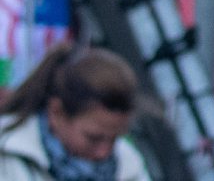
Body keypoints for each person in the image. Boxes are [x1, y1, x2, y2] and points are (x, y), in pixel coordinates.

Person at [0, 42, 150, 181]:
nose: (103, 152)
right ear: (56, 112)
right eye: (93, 138)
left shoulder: (129, 163)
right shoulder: (7, 154)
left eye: (114, 139)